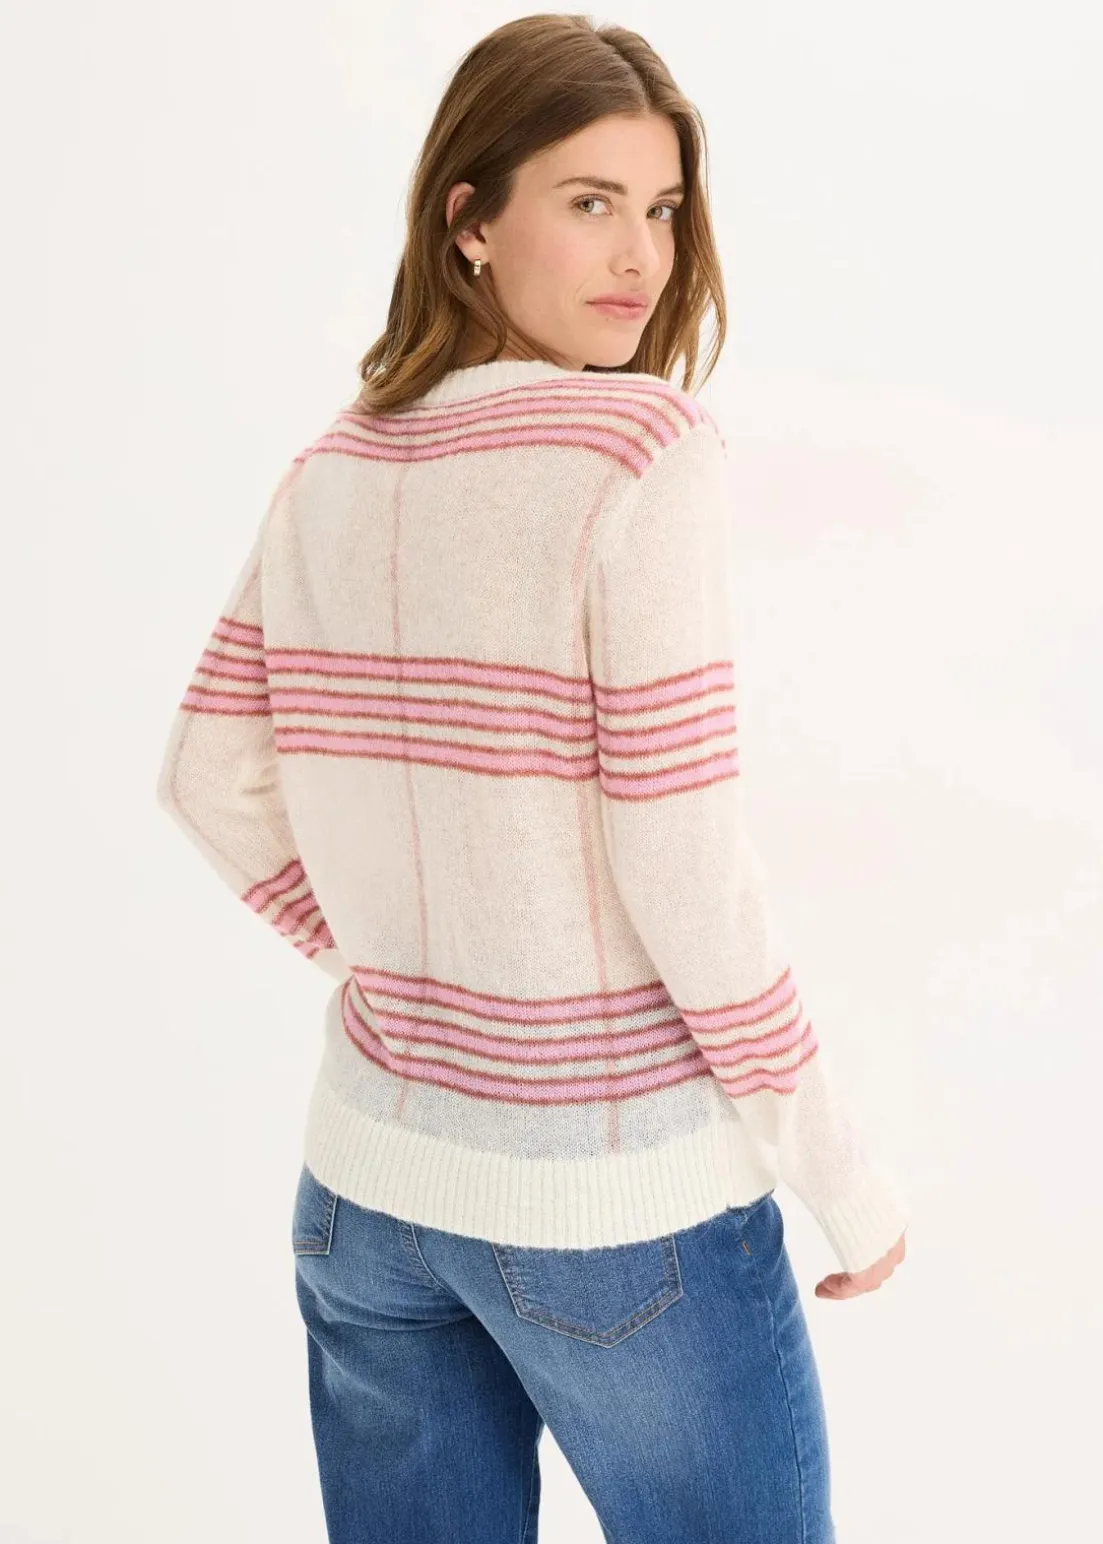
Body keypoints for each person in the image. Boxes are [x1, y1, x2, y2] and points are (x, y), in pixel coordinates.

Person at [155, 14, 908, 1542]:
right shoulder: (634, 448)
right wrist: (835, 1169)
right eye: (587, 201)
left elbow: (207, 777)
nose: (639, 253)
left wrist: (392, 970)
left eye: (662, 208)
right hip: (608, 1208)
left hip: (364, 1196)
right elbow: (680, 866)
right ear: (470, 221)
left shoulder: (334, 465)